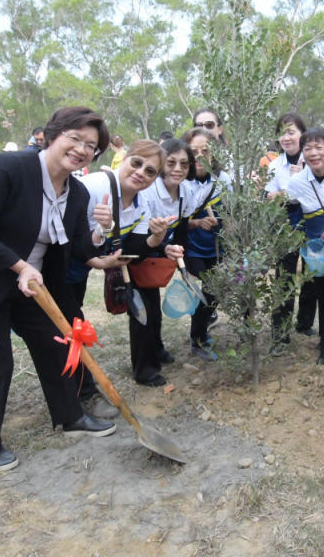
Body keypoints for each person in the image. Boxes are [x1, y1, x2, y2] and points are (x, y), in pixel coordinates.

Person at [0, 106, 118, 471]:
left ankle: (71, 417)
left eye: (91, 146)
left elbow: (78, 248)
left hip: (30, 285)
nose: (82, 149)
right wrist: (19, 266)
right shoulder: (9, 168)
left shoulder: (78, 193)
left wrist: (101, 230)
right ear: (53, 135)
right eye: (75, 138)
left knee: (57, 345)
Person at [74, 140, 173, 390]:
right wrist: (98, 255)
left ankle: (86, 389)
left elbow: (137, 249)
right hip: (64, 265)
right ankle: (81, 391)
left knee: (76, 323)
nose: (141, 173)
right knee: (69, 326)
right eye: (137, 163)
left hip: (88, 264)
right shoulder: (93, 186)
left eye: (150, 171)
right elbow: (65, 238)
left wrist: (159, 237)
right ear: (124, 159)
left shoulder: (142, 204)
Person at [286, 128, 324, 365]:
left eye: (318, 147)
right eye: (308, 148)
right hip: (313, 250)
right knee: (318, 291)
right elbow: (293, 216)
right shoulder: (297, 182)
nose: (313, 153)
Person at [144, 137, 205, 364]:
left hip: (164, 250)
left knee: (154, 311)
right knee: (147, 310)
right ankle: (146, 365)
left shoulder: (186, 192)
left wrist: (183, 260)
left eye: (184, 164)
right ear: (161, 163)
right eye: (171, 163)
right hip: (142, 250)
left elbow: (181, 226)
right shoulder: (148, 192)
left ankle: (157, 350)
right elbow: (140, 233)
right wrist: (163, 247)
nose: (178, 169)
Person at [266, 112, 318, 346]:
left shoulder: (314, 161)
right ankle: (280, 331)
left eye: (290, 132)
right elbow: (270, 196)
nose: (285, 138)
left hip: (312, 222)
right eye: (281, 133)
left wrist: (295, 186)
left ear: (302, 134)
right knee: (284, 276)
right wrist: (285, 192)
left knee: (311, 274)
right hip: (285, 223)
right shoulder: (275, 165)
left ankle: (305, 323)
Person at [183, 127, 231, 352]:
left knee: (214, 293)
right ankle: (198, 339)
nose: (200, 155)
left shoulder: (224, 180)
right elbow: (174, 220)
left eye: (205, 150)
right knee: (204, 293)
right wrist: (195, 223)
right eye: (194, 151)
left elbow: (233, 212)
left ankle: (200, 334)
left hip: (217, 249)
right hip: (192, 249)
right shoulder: (181, 182)